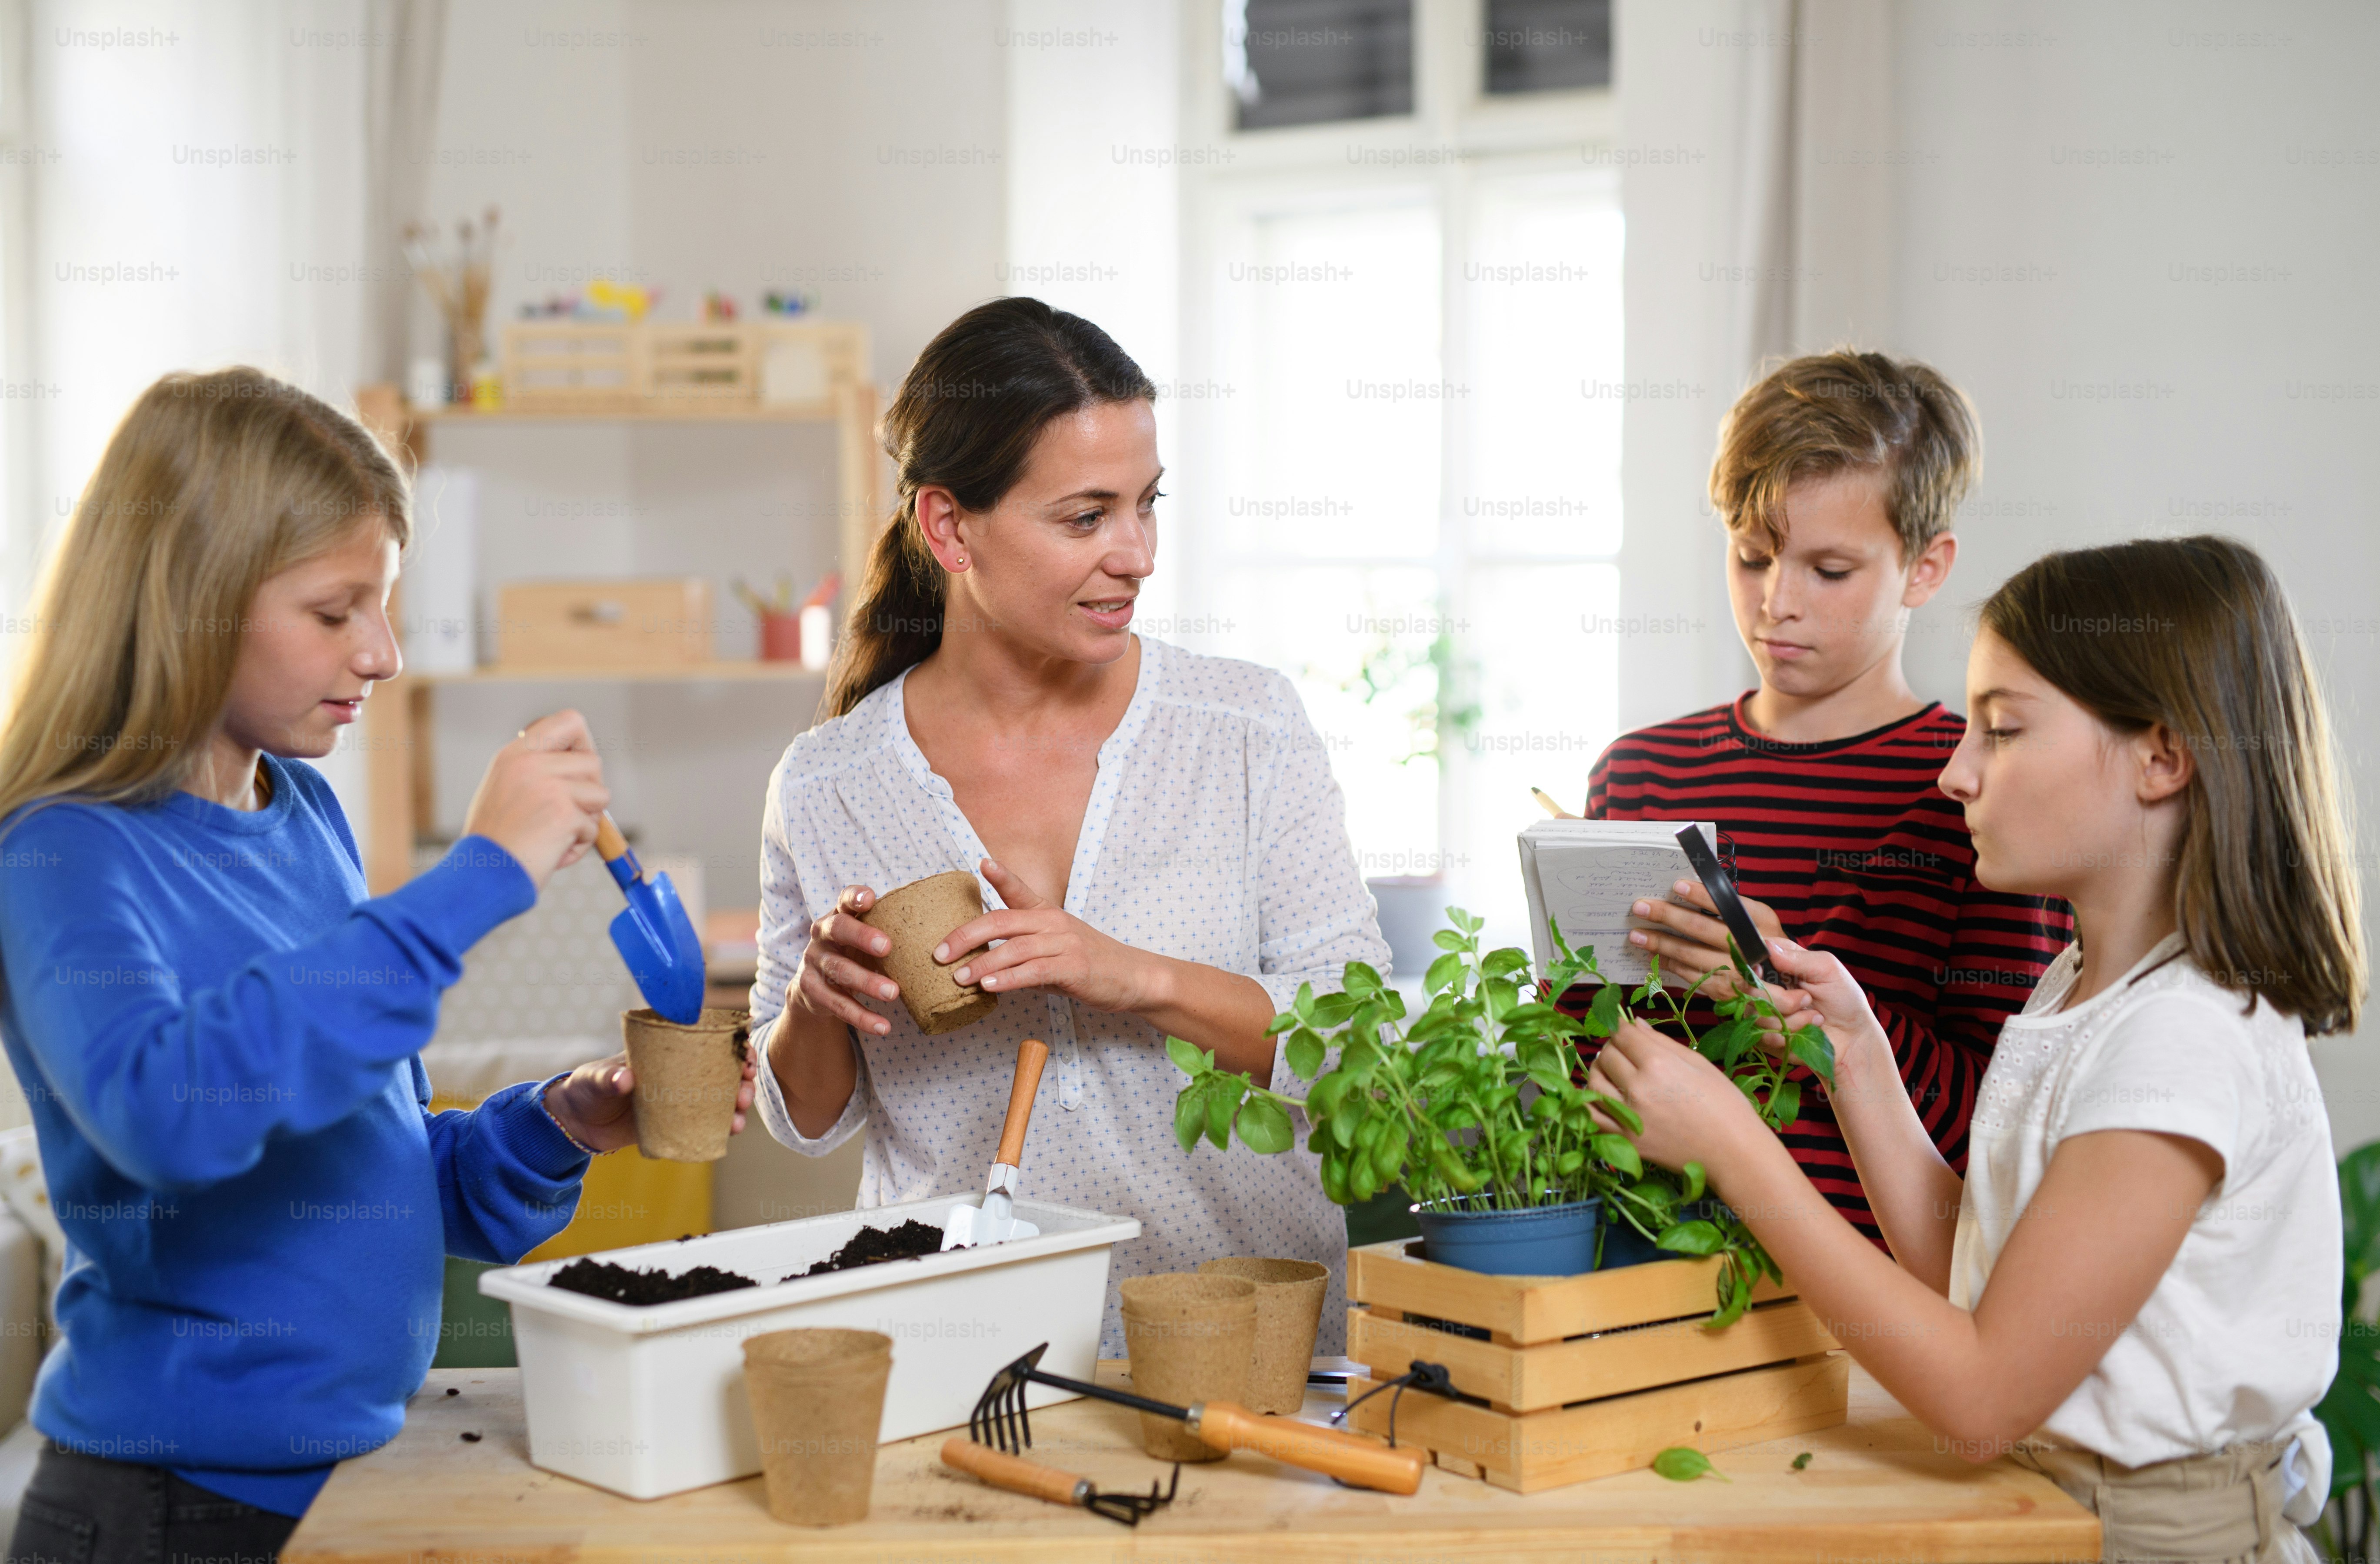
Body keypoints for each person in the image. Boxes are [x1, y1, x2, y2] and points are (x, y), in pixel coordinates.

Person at [0, 368, 756, 1561]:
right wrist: (479, 875)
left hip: (348, 1472)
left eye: (385, 605)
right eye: (335, 610)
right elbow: (172, 1112)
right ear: (193, 598)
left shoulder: (302, 815)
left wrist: (552, 1125)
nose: (387, 653)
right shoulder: (63, 851)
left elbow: (379, 1164)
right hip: (167, 1504)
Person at [1591, 536, 2360, 1562]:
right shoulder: (2083, 984)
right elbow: (1978, 1273)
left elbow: (1982, 1395)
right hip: (2050, 1509)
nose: (1957, 772)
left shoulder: (2182, 1037)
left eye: (2001, 729)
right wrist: (1853, 1055)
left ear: (2160, 757)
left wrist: (1736, 1146)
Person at [750, 297, 1388, 1351]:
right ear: (949, 527)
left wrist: (1133, 975)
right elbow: (804, 1118)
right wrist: (814, 1004)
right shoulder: (830, 781)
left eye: (1147, 504)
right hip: (963, 1351)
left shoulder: (1245, 726)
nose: (1136, 554)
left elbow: (1357, 1043)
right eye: (1086, 517)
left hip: (1247, 1346)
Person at [1565, 350, 2071, 1243]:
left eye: (1829, 570)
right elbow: (1577, 1066)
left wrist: (1783, 1000)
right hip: (1638, 1273)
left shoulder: (1981, 791)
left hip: (1871, 1293)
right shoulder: (1639, 775)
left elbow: (2000, 1127)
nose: (1776, 602)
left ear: (1924, 567)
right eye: (1751, 557)